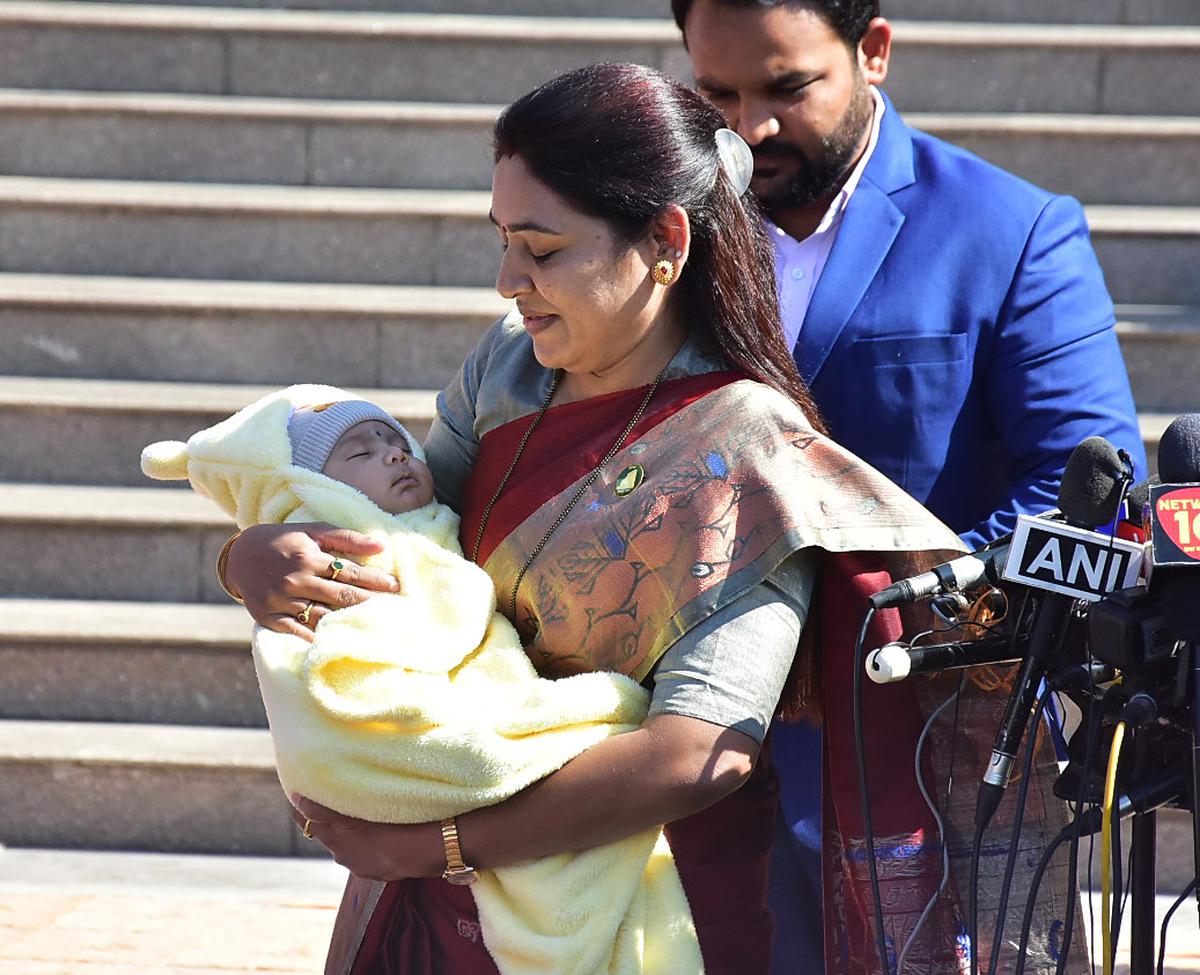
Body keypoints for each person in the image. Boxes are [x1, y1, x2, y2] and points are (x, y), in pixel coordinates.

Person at [220, 62, 983, 975]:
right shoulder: (506, 373)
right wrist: (252, 555)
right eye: (502, 241)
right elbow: (406, 538)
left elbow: (701, 749)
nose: (509, 280)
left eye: (541, 250)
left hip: (642, 902)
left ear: (665, 240)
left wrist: (444, 845)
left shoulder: (744, 449)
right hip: (436, 876)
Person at [668, 2, 1147, 967]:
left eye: (787, 88)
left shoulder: (1011, 229)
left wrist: (897, 613)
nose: (750, 127)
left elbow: (1089, 480)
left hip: (930, 749)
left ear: (873, 51)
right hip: (688, 762)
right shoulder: (661, 228)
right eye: (717, 93)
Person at [142, 385, 704, 975]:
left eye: (395, 442)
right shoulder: (357, 558)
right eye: (358, 455)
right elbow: (346, 675)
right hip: (406, 748)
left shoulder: (431, 530)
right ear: (308, 489)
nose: (392, 456)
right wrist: (246, 551)